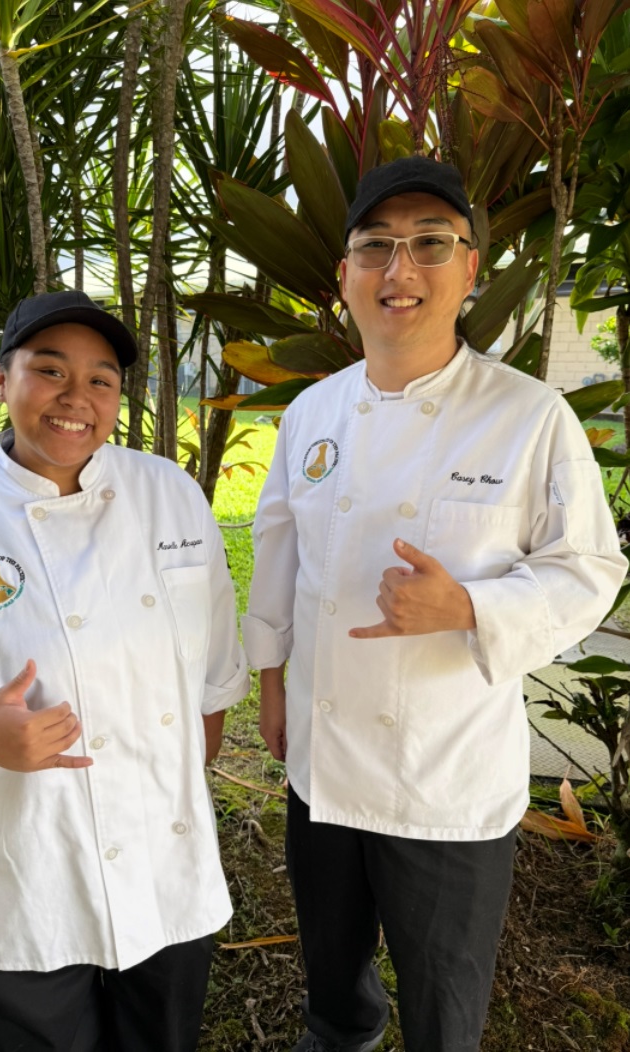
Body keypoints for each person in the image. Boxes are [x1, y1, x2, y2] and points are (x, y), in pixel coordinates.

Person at [242, 156, 627, 1052]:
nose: (398, 269)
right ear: (344, 275)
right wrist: (270, 678)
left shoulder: (529, 417)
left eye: (428, 244)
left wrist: (468, 608)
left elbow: (590, 567)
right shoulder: (314, 413)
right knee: (331, 971)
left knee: (445, 1002)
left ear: (470, 268)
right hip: (324, 757)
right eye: (374, 247)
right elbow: (277, 551)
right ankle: (341, 1034)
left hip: (444, 776)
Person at [0, 290, 249, 1052]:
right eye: (50, 370)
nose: (76, 398)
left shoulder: (171, 497)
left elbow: (213, 671)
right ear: (1, 380)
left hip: (164, 857)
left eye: (101, 379)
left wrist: (179, 784)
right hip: (21, 867)